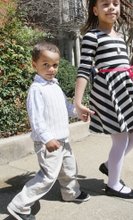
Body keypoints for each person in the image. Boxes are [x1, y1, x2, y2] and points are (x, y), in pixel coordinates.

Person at [74, 0, 133, 199]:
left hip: (124, 90)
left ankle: (109, 166)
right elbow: (83, 69)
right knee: (121, 138)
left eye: (115, 3)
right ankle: (113, 185)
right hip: (107, 92)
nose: (111, 7)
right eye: (105, 4)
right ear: (95, 10)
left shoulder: (121, 36)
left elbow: (123, 67)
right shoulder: (92, 36)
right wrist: (78, 102)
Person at [7, 42, 90, 220]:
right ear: (34, 65)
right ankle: (20, 205)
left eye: (55, 65)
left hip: (63, 140)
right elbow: (36, 120)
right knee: (47, 176)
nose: (51, 69)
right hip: (48, 143)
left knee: (69, 169)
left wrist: (78, 113)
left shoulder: (55, 86)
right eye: (46, 64)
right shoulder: (36, 90)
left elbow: (65, 107)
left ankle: (71, 193)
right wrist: (47, 138)